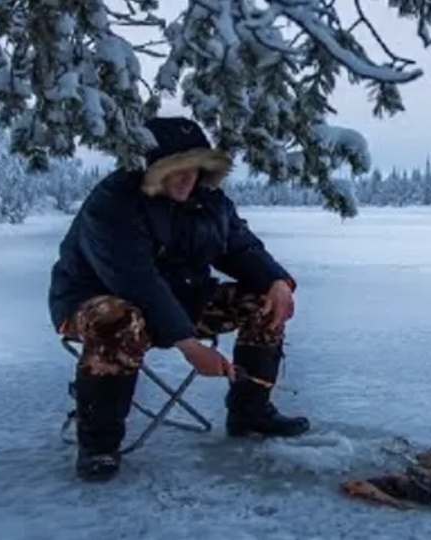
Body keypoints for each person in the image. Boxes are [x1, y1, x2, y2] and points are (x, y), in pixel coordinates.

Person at [48, 116, 311, 483]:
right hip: (94, 303)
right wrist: (189, 344)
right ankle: (98, 445)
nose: (188, 177)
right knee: (120, 318)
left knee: (261, 301)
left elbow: (242, 248)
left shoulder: (210, 202)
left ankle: (251, 412)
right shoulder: (113, 203)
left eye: (195, 167)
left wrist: (278, 282)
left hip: (183, 300)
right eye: (175, 168)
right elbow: (136, 281)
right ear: (150, 168)